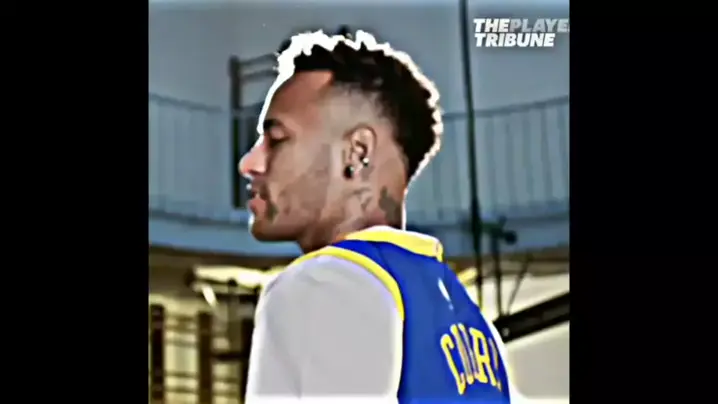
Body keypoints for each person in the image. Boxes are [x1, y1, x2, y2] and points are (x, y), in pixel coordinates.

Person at [239, 29, 515, 403]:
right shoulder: (472, 322)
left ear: (357, 153)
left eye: (276, 139)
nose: (250, 163)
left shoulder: (323, 283)